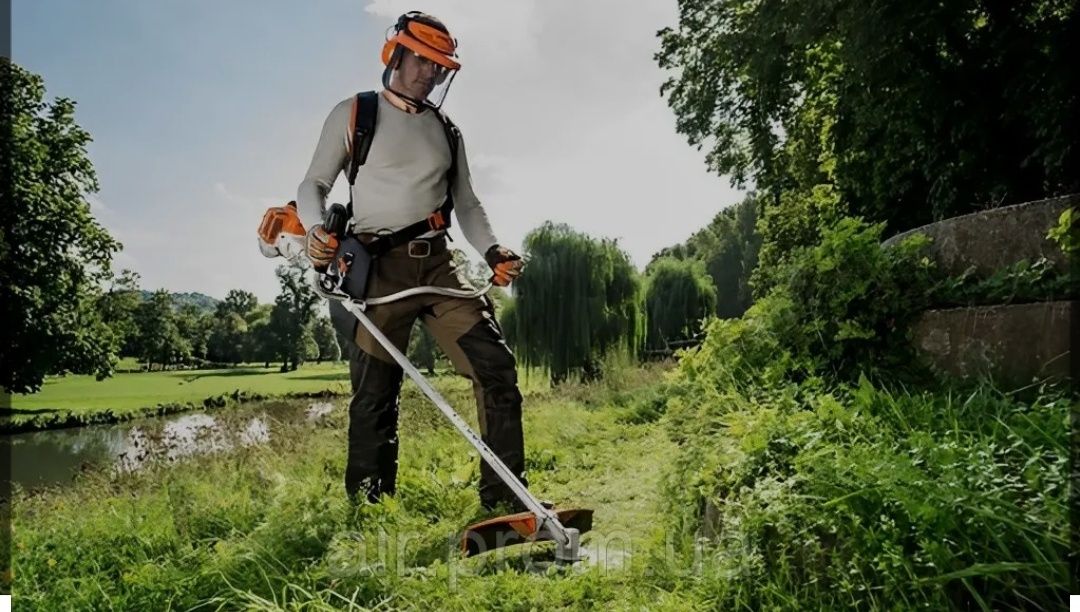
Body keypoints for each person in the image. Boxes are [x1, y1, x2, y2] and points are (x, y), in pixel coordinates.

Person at [295, 11, 528, 512]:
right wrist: (315, 229)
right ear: (396, 54)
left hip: (440, 269)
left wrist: (493, 250)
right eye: (423, 60)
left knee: (496, 370)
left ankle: (506, 504)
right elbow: (313, 185)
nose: (430, 73)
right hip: (378, 271)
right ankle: (371, 511)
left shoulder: (447, 131)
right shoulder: (356, 113)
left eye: (440, 66)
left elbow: (467, 203)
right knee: (375, 396)